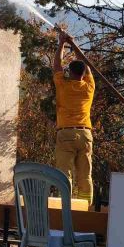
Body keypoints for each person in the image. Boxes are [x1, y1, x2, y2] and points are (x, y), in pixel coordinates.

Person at [53, 30, 96, 203]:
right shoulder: (89, 86)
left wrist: (61, 43)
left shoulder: (63, 85)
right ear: (83, 73)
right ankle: (86, 208)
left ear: (69, 72)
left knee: (64, 175)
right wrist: (74, 44)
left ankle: (66, 208)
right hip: (85, 134)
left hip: (66, 134)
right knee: (85, 175)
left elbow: (57, 65)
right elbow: (86, 65)